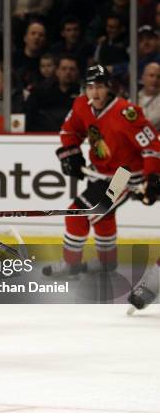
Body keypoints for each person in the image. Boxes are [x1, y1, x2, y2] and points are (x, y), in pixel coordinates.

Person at [43, 65, 160, 277]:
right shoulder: (81, 105)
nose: (94, 92)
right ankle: (107, 263)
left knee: (76, 215)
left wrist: (152, 178)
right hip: (100, 173)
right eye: (90, 87)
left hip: (124, 177)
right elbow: (69, 130)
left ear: (109, 88)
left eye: (99, 87)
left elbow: (152, 146)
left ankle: (71, 264)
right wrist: (71, 152)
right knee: (103, 217)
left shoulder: (127, 113)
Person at [25, 54, 80, 133]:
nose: (68, 72)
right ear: (57, 71)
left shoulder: (83, 93)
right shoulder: (40, 92)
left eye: (72, 69)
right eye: (64, 69)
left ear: (77, 72)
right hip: (45, 137)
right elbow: (29, 117)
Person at [138, 62, 160, 129]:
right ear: (143, 78)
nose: (155, 80)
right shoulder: (134, 97)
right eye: (151, 75)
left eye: (158, 77)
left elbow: (149, 122)